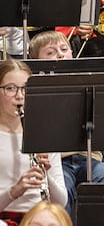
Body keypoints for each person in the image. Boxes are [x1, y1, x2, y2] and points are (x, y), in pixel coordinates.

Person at [0, 60, 66, 226]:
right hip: (2, 224)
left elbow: (62, 202)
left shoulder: (46, 135)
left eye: (25, 88)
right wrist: (16, 190)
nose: (20, 96)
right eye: (11, 88)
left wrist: (46, 175)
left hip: (42, 219)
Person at [28, 30, 104, 216]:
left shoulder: (90, 83)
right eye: (51, 52)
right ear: (35, 61)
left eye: (64, 49)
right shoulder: (33, 90)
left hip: (91, 157)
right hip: (59, 163)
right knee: (61, 197)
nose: (60, 54)